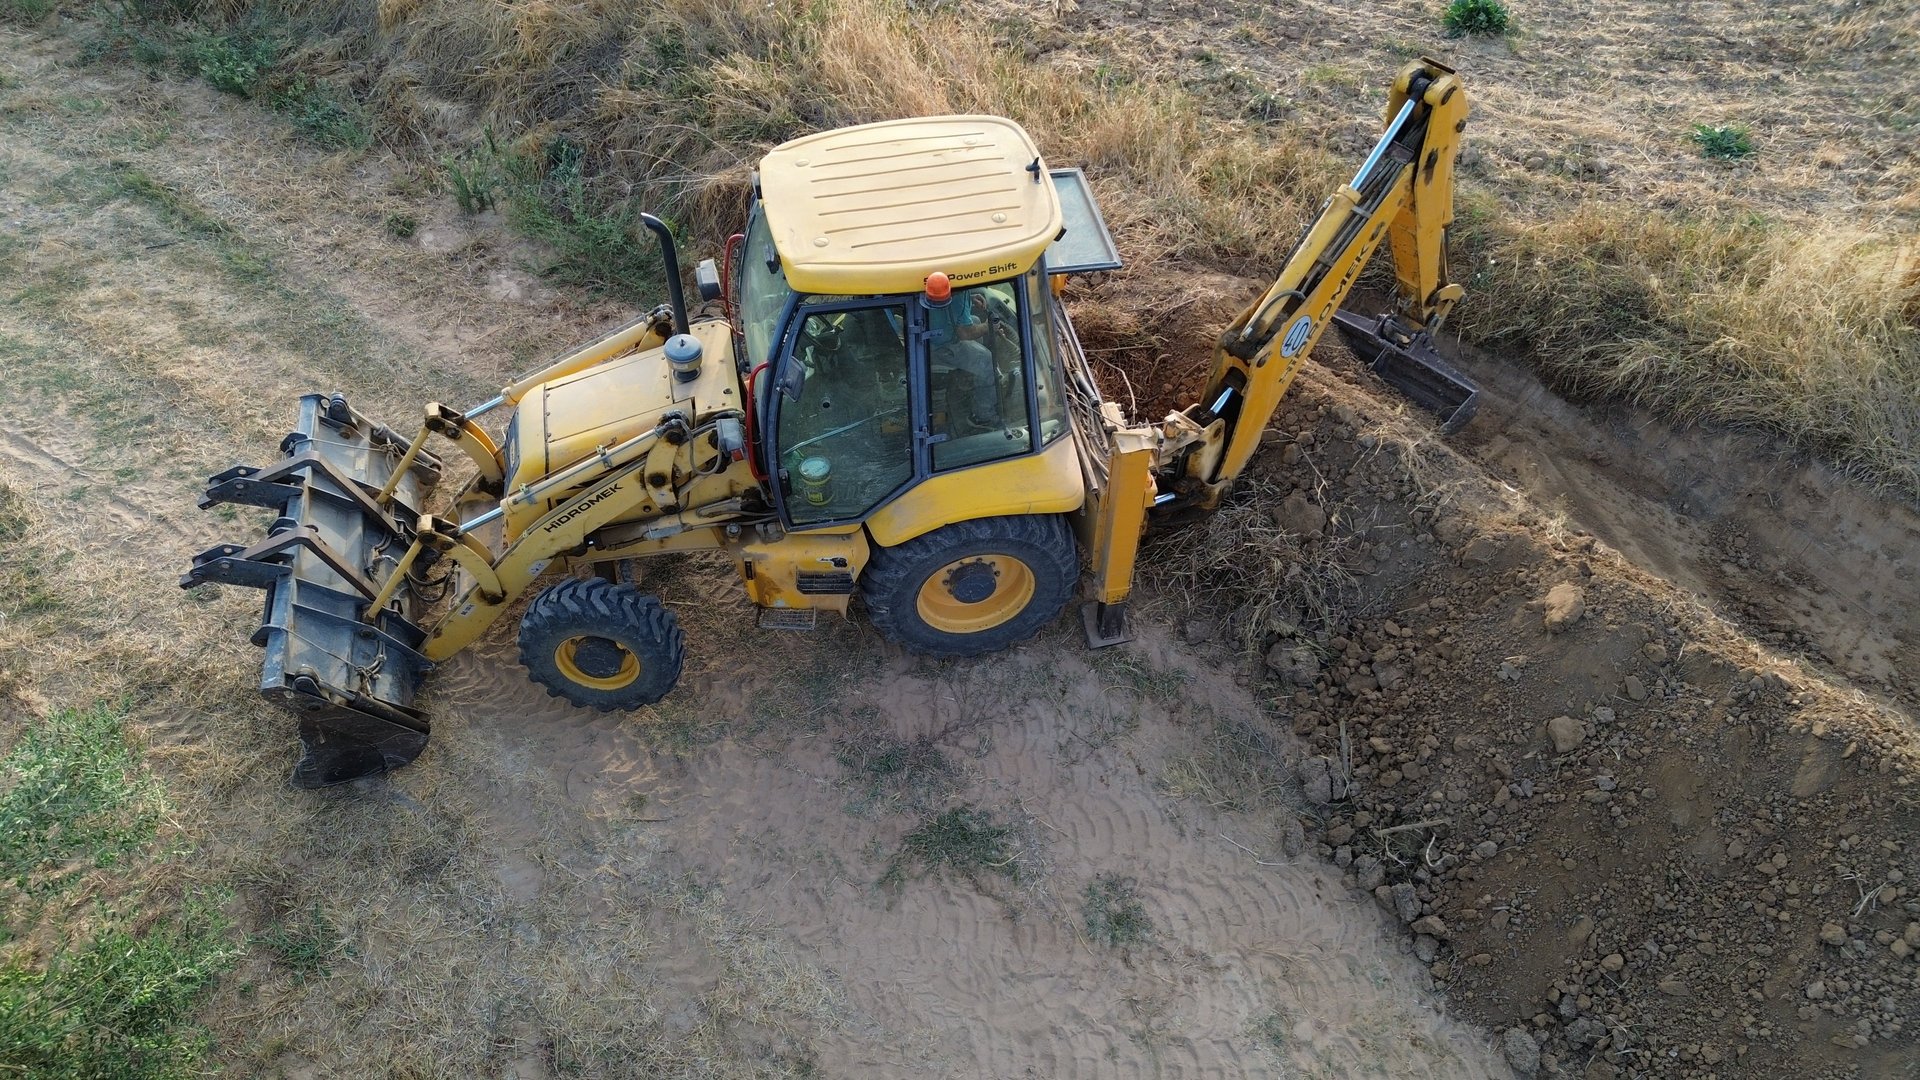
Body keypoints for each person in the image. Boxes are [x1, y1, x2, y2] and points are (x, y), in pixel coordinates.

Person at [925, 285, 998, 427]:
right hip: (940, 347)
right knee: (987, 360)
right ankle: (982, 416)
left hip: (931, 332)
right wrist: (989, 326)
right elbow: (965, 332)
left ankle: (972, 378)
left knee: (975, 319)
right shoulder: (959, 291)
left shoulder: (946, 284)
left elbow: (944, 302)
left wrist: (969, 300)